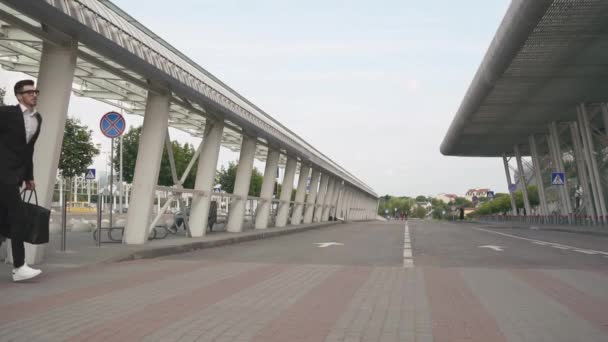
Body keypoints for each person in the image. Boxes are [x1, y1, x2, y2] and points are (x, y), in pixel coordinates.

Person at [0, 80, 43, 282]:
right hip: (3, 172)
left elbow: (29, 150)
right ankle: (19, 267)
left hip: (15, 176)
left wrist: (29, 176)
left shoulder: (37, 119)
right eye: (29, 92)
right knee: (18, 218)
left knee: (3, 219)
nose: (34, 94)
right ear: (19, 96)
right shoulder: (7, 113)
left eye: (35, 91)